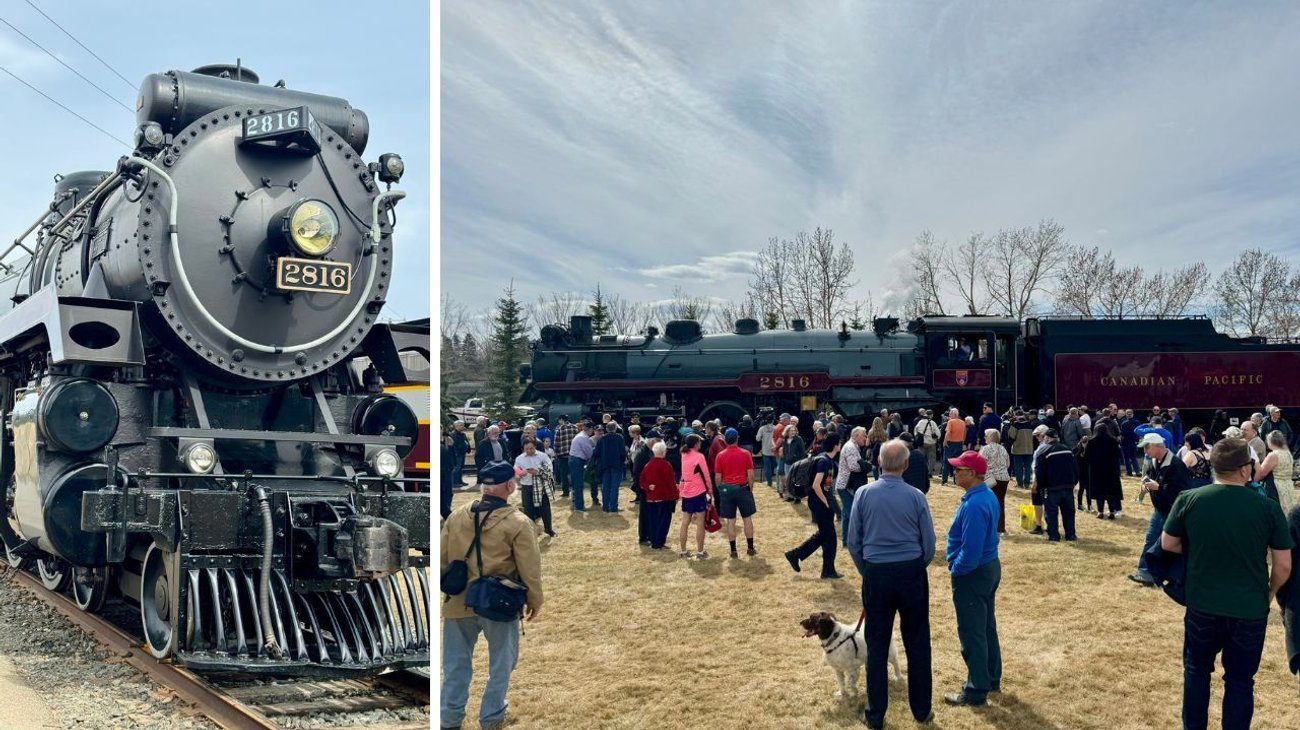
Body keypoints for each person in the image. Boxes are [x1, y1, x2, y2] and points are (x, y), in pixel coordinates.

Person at [1161, 438, 1293, 730]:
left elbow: (1168, 543)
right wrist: (1269, 594)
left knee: (1196, 673)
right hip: (1249, 608)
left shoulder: (1189, 499)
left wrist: (1202, 549)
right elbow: (1283, 564)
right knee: (1240, 681)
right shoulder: (1268, 508)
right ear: (1245, 469)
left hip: (1202, 605)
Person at [439, 461, 544, 730]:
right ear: (510, 486)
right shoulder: (519, 522)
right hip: (498, 601)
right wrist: (535, 599)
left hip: (458, 601)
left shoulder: (456, 516)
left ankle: (449, 719)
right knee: (501, 663)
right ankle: (491, 716)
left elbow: (443, 560)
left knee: (455, 666)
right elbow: (529, 568)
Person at [847, 440, 936, 728]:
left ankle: (875, 714)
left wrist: (868, 571)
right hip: (910, 571)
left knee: (876, 643)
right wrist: (914, 566)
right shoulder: (916, 496)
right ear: (906, 466)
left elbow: (853, 542)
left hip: (876, 573)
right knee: (918, 642)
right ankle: (922, 710)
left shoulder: (863, 494)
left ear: (878, 462)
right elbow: (929, 544)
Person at [943, 450, 1002, 707]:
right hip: (988, 567)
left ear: (973, 474)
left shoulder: (976, 503)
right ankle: (990, 676)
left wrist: (956, 568)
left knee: (972, 631)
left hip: (973, 572)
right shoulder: (984, 496)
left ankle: (976, 688)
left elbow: (971, 548)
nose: (955, 473)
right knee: (986, 626)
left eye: (959, 470)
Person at [1129, 432, 1194, 586]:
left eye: (1147, 447)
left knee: (1165, 544)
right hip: (1159, 510)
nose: (1145, 451)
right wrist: (1147, 486)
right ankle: (1145, 572)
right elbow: (1153, 479)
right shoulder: (1154, 461)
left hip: (1172, 511)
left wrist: (1158, 487)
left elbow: (1182, 491)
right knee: (1151, 540)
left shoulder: (1176, 464)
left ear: (1158, 446)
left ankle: (1164, 574)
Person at [786, 433, 843, 579]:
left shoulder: (827, 459)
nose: (841, 444)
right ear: (835, 445)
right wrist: (825, 501)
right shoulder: (824, 461)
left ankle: (825, 569)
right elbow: (816, 485)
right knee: (829, 537)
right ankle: (798, 555)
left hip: (820, 500)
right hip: (819, 501)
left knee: (826, 535)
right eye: (839, 442)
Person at [714, 428, 758, 558]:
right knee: (747, 519)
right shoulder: (745, 453)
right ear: (737, 438)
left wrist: (720, 489)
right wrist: (750, 488)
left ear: (726, 440)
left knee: (731, 521)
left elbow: (717, 477)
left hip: (727, 489)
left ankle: (733, 550)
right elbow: (750, 474)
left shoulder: (720, 455)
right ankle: (750, 548)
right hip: (743, 488)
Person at [1032, 430, 1078, 542]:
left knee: (1051, 513)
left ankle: (1054, 536)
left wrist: (1040, 486)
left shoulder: (1043, 451)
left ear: (1047, 438)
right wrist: (1073, 483)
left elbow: (1039, 471)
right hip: (1067, 487)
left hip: (1051, 488)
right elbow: (1076, 468)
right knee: (1069, 512)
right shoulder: (1068, 450)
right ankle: (1071, 535)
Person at [677, 434, 714, 559]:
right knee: (700, 522)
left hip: (686, 491)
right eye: (699, 442)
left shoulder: (683, 454)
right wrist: (710, 491)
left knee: (685, 522)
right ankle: (700, 551)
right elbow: (706, 475)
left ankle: (683, 550)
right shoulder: (699, 456)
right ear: (695, 444)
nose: (701, 444)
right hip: (698, 491)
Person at [639, 441, 679, 550]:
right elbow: (671, 482)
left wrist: (648, 487)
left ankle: (653, 541)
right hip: (664, 497)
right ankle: (659, 542)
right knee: (664, 521)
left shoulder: (648, 464)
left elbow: (641, 480)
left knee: (653, 520)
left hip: (651, 497)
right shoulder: (666, 465)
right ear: (663, 452)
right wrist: (676, 495)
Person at [513, 438, 557, 538]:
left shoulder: (542, 456)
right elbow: (515, 470)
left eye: (531, 448)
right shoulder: (519, 458)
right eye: (526, 449)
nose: (529, 451)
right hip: (527, 486)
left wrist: (537, 472)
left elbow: (550, 468)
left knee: (545, 508)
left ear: (535, 447)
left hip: (541, 486)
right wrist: (520, 474)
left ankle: (549, 529)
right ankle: (531, 531)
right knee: (528, 510)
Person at [835, 426, 870, 546]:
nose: (866, 437)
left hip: (845, 485)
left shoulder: (854, 446)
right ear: (856, 436)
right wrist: (865, 465)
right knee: (852, 515)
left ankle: (846, 541)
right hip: (846, 486)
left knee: (846, 515)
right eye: (864, 435)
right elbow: (853, 466)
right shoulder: (851, 447)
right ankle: (854, 542)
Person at [1085, 424, 1123, 519]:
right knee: (1110, 491)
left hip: (1096, 470)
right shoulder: (1113, 440)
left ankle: (1100, 512)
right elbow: (1118, 455)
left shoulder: (1091, 441)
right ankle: (1111, 512)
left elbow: (1087, 456)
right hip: (1111, 469)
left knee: (1099, 492)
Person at [1255, 430, 1296, 513]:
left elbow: (1261, 474)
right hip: (1288, 486)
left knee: (1276, 512)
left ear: (1270, 441)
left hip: (1275, 488)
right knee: (1288, 510)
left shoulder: (1273, 455)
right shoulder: (1287, 453)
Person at [978, 429, 1010, 533]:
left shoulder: (985, 449)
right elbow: (1007, 464)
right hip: (1004, 478)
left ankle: (988, 527)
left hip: (991, 479)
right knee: (1000, 503)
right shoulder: (1002, 449)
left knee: (987, 503)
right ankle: (1000, 528)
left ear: (989, 437)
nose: (984, 438)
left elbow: (980, 464)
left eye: (985, 436)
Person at [632, 431, 659, 544]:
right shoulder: (642, 453)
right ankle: (643, 537)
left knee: (651, 513)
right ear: (652, 440)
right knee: (644, 513)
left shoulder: (649, 451)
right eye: (658, 440)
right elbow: (637, 473)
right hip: (645, 488)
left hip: (650, 488)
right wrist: (643, 487)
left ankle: (650, 535)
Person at [595, 422, 626, 513]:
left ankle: (605, 507)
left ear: (606, 429)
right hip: (616, 465)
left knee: (606, 487)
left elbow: (596, 453)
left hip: (605, 466)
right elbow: (623, 453)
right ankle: (613, 507)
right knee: (614, 487)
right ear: (615, 428)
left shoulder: (602, 439)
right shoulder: (619, 438)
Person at [568, 421, 595, 513]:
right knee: (578, 484)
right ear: (590, 429)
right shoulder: (583, 438)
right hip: (577, 461)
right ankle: (578, 506)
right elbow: (589, 453)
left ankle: (575, 503)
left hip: (574, 460)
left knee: (576, 483)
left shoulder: (581, 435)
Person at [1006, 410, 1036, 489]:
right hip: (1029, 449)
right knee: (1028, 467)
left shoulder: (1015, 425)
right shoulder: (1030, 424)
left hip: (1018, 449)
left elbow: (1011, 438)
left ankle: (1020, 484)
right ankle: (1026, 483)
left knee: (1018, 467)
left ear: (1016, 415)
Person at [551, 415, 577, 497]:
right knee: (574, 473)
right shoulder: (575, 428)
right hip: (573, 454)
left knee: (564, 474)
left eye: (559, 420)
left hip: (562, 455)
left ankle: (566, 492)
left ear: (562, 420)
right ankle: (575, 490)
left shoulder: (559, 429)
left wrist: (556, 453)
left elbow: (556, 444)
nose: (558, 422)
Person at [940, 409, 967, 486]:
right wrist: (962, 442)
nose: (949, 415)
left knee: (946, 462)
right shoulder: (962, 422)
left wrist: (944, 442)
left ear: (954, 414)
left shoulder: (950, 422)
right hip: (959, 443)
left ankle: (944, 481)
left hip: (950, 443)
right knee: (957, 463)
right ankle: (957, 481)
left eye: (950, 413)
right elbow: (964, 433)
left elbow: (948, 433)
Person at [914, 409, 941, 475]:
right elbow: (938, 434)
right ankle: (929, 473)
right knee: (931, 459)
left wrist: (918, 437)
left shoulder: (920, 422)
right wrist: (936, 438)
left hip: (922, 442)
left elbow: (915, 431)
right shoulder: (933, 423)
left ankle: (921, 472)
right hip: (931, 443)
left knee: (921, 458)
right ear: (931, 415)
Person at [1120, 409, 1141, 476]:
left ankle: (1129, 472)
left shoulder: (1124, 423)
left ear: (1126, 415)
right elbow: (1138, 433)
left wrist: (1121, 442)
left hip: (1126, 443)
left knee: (1126, 458)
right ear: (1132, 414)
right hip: (1134, 442)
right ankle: (1137, 471)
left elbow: (1122, 434)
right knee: (1133, 457)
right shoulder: (1137, 422)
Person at [757, 415, 777, 486]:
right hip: (774, 450)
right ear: (773, 420)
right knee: (775, 466)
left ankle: (769, 482)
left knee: (767, 467)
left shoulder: (762, 428)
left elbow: (758, 439)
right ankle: (776, 480)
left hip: (765, 451)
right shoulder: (776, 428)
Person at [440, 429, 455, 521]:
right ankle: (447, 513)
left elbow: (452, 454)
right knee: (442, 493)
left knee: (448, 493)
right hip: (442, 473)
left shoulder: (448, 440)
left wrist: (453, 465)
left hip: (448, 471)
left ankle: (447, 510)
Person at [451, 421, 471, 487]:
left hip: (462, 453)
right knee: (457, 468)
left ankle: (460, 481)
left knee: (461, 468)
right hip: (457, 454)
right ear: (456, 426)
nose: (463, 426)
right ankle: (455, 483)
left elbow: (465, 441)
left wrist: (468, 448)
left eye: (463, 425)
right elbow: (454, 445)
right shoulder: (454, 434)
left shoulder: (462, 433)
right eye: (461, 425)